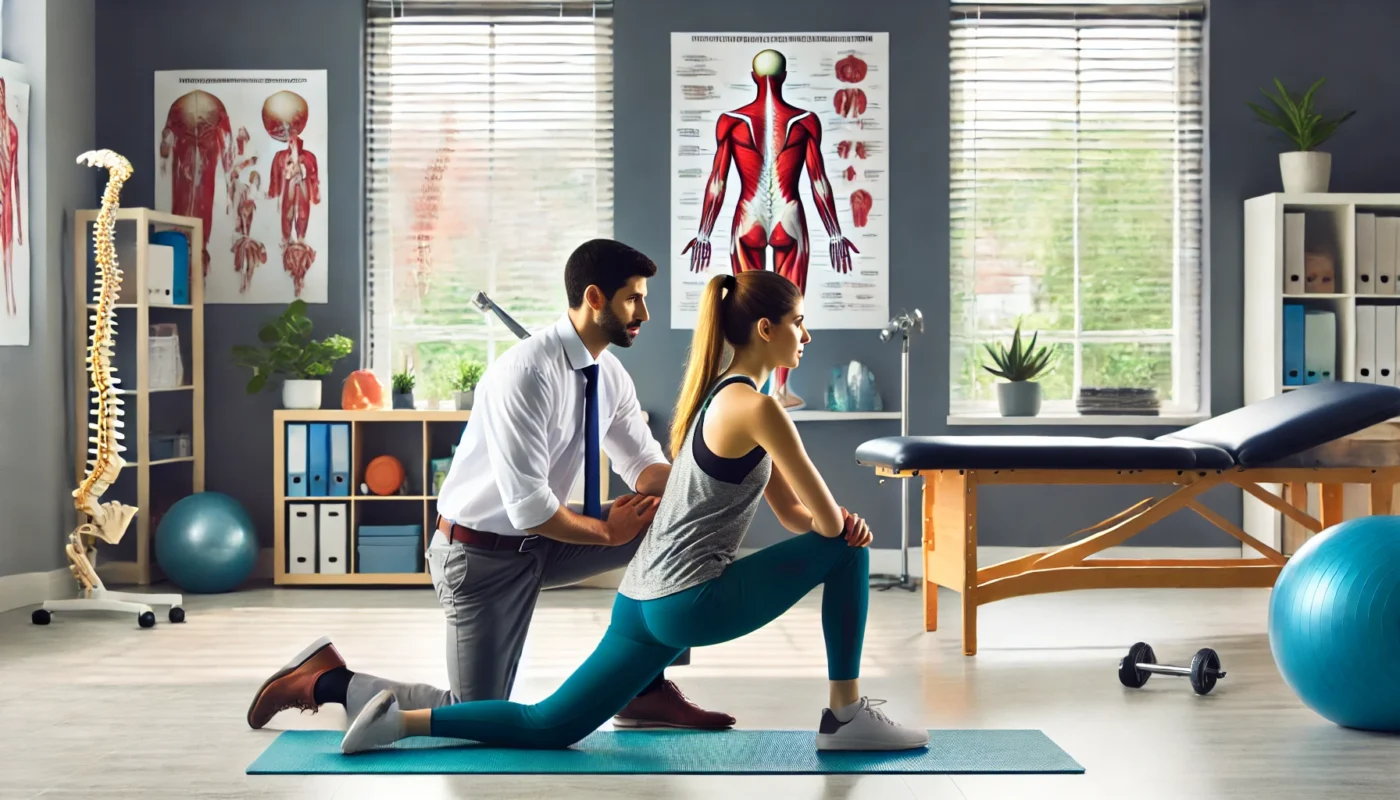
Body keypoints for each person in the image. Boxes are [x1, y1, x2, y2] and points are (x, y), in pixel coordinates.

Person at [337, 269, 929, 754]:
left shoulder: (715, 395)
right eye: (799, 323)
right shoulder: (762, 409)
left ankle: (400, 722)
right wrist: (847, 525)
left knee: (551, 725)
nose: (806, 335)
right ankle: (846, 717)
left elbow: (796, 515)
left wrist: (826, 523)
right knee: (850, 551)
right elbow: (827, 528)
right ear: (766, 328)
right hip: (689, 602)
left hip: (641, 602)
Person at [246, 239, 734, 732]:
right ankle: (325, 679)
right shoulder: (524, 372)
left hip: (543, 543)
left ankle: (644, 689)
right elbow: (530, 509)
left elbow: (643, 465)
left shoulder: (607, 372)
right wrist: (610, 533)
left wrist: (714, 480)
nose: (644, 313)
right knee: (474, 714)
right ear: (593, 298)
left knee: (673, 521)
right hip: (480, 557)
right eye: (634, 298)